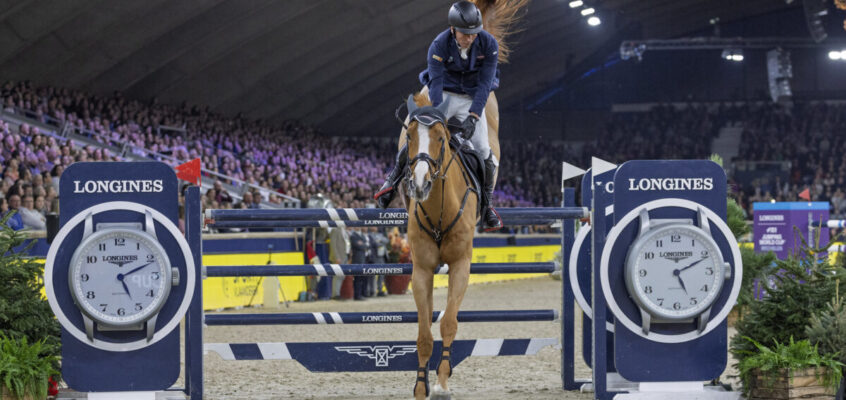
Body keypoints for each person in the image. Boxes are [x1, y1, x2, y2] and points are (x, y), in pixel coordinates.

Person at [374, 0, 502, 230]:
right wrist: (438, 115)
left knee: (483, 149)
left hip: (473, 96)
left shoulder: (489, 44)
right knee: (419, 132)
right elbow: (436, 82)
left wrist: (473, 116)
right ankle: (391, 182)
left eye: (474, 34)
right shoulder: (439, 44)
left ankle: (488, 203)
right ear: (453, 29)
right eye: (465, 34)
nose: (470, 39)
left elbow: (485, 85)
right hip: (443, 92)